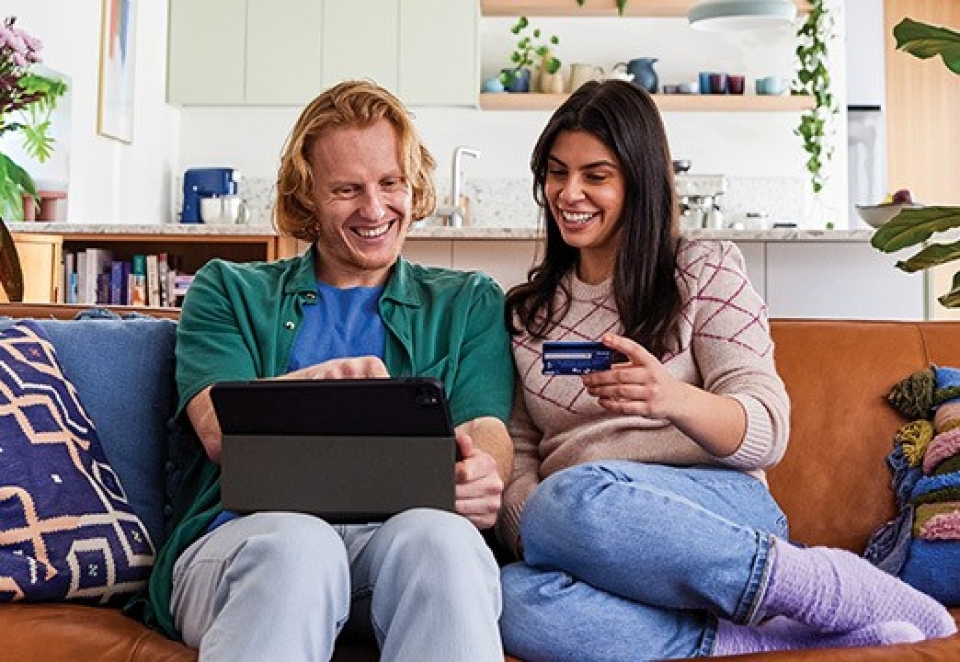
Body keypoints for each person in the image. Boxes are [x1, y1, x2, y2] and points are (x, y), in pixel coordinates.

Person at [495, 79, 956, 661]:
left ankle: (817, 587)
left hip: (716, 509)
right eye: (557, 172)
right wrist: (540, 533)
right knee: (510, 596)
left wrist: (671, 399)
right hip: (590, 531)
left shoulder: (703, 271)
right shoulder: (526, 313)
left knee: (572, 495)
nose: (570, 192)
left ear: (639, 182)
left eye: (596, 175)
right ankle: (740, 638)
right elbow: (521, 455)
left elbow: (767, 429)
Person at [140, 80, 514, 661]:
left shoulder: (468, 301)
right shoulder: (227, 288)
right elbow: (218, 428)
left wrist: (484, 470)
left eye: (390, 183)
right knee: (299, 544)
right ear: (308, 195)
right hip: (246, 541)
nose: (374, 209)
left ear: (412, 184)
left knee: (444, 540)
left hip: (391, 550)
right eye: (346, 189)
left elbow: (486, 422)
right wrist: (317, 387)